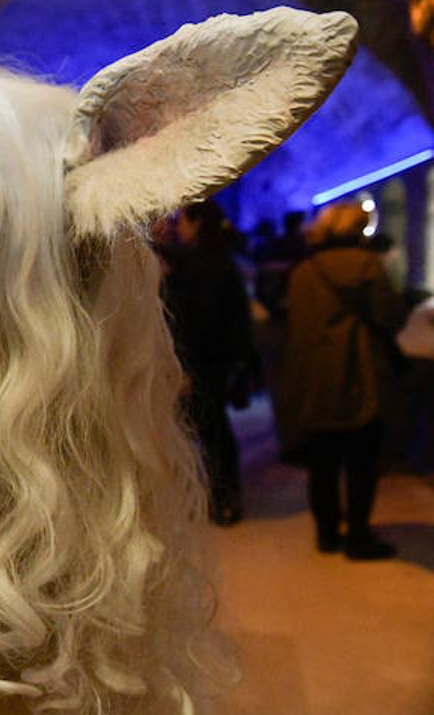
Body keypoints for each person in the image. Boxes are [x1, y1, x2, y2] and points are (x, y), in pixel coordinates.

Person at [275, 200, 406, 560]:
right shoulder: (369, 267)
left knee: (323, 463)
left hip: (316, 379)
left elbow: (296, 329)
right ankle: (359, 537)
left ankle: (327, 533)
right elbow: (391, 317)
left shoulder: (303, 272)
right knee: (362, 462)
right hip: (361, 375)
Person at [159, 199, 258, 526]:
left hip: (201, 362)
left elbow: (193, 321)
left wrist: (183, 366)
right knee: (216, 431)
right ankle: (223, 495)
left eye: (183, 221)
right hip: (220, 360)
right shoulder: (222, 260)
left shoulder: (198, 265)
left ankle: (218, 497)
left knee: (205, 432)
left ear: (197, 222)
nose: (179, 227)